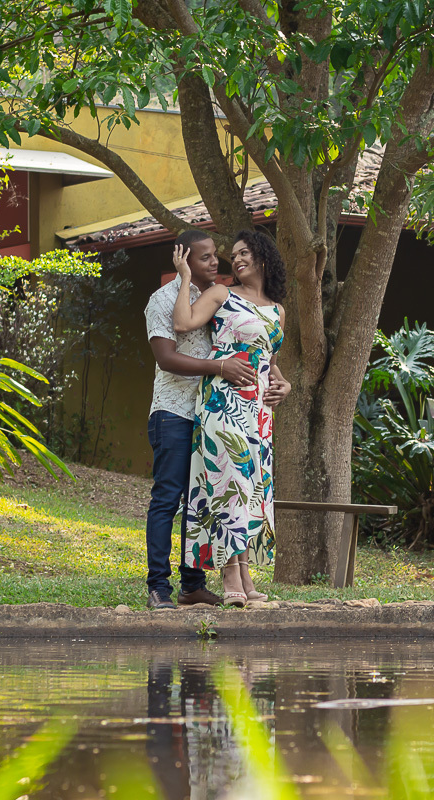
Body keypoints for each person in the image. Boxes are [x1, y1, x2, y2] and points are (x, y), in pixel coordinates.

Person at [171, 229, 290, 607]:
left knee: (251, 487)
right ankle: (228, 573)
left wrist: (284, 386)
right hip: (223, 402)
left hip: (259, 412)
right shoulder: (222, 295)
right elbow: (183, 323)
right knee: (227, 483)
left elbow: (271, 364)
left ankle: (245, 573)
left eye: (244, 254)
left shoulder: (277, 310)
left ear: (262, 258)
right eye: (232, 255)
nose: (235, 260)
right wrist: (186, 278)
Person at [143, 230, 260, 609]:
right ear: (184, 260)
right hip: (174, 412)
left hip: (212, 414)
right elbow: (166, 357)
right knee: (168, 499)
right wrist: (218, 367)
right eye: (206, 257)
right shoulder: (161, 300)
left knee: (202, 503)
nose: (216, 263)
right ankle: (158, 586)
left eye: (215, 256)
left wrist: (275, 379)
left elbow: (249, 341)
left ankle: (192, 585)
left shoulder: (222, 298)